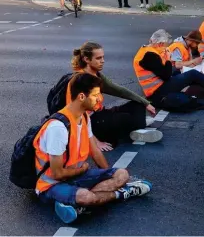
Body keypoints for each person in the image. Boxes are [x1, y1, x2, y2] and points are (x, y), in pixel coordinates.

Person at [34, 73, 152, 224]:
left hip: (75, 177)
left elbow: (95, 151)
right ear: (82, 97)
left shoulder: (84, 117)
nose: (100, 99)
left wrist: (110, 174)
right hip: (51, 184)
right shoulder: (58, 128)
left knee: (122, 174)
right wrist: (81, 170)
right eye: (96, 95)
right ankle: (122, 193)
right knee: (86, 197)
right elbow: (56, 173)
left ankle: (76, 205)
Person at [68, 42, 162, 148]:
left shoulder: (96, 75)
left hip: (102, 114)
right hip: (93, 122)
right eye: (98, 58)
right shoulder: (81, 81)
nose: (103, 61)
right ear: (86, 59)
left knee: (138, 104)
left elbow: (119, 90)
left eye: (103, 57)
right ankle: (134, 129)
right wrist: (95, 142)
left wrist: (145, 103)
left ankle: (135, 129)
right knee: (124, 118)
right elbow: (76, 115)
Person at [133, 29, 204, 108]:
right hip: (157, 91)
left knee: (192, 75)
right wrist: (167, 58)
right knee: (192, 75)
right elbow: (166, 74)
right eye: (165, 46)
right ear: (160, 43)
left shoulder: (147, 51)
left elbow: (164, 73)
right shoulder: (150, 55)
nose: (166, 48)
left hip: (159, 86)